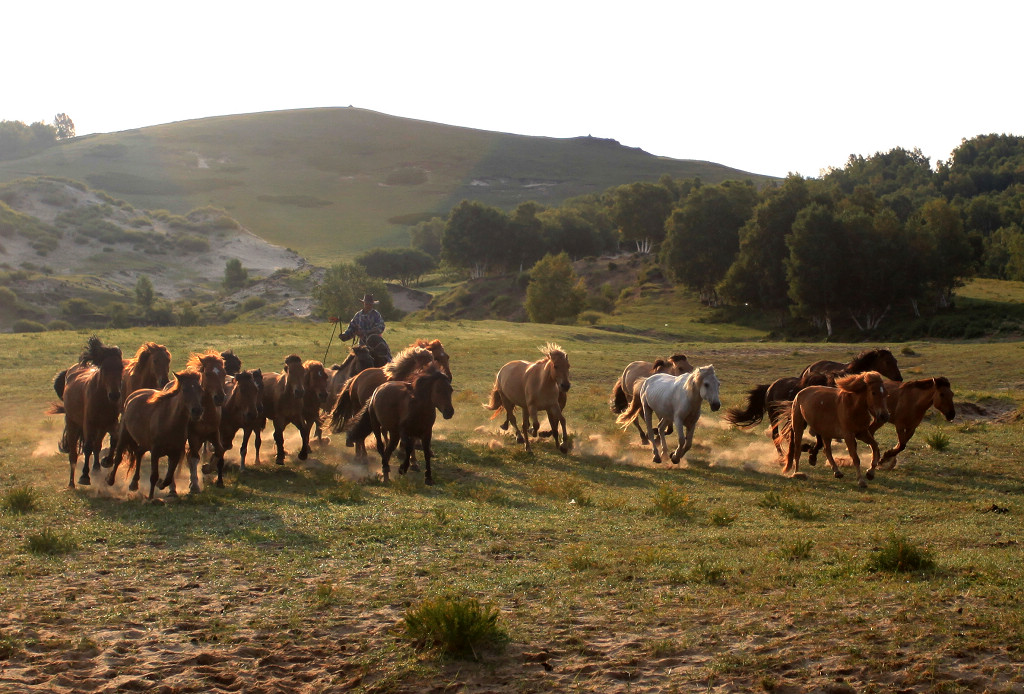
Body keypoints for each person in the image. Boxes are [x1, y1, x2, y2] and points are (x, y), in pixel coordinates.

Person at [340, 293, 391, 365]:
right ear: (364, 303)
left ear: (372, 305)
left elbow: (380, 327)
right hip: (362, 344)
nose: (368, 305)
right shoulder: (358, 315)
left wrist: (365, 332)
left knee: (386, 359)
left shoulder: (376, 315)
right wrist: (345, 335)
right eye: (366, 304)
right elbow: (352, 327)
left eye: (370, 304)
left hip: (375, 343)